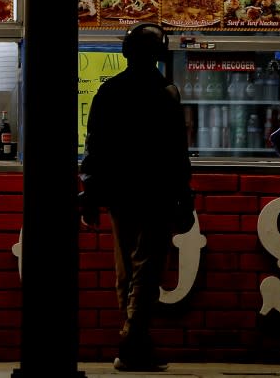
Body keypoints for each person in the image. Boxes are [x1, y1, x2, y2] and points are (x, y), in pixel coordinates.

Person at [79, 22, 192, 372]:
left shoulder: (108, 92)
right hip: (155, 193)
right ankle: (132, 342)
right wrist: (184, 197)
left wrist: (90, 193)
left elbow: (94, 148)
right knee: (147, 268)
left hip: (118, 193)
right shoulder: (165, 94)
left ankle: (134, 340)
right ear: (159, 55)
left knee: (126, 268)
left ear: (126, 53)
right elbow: (177, 153)